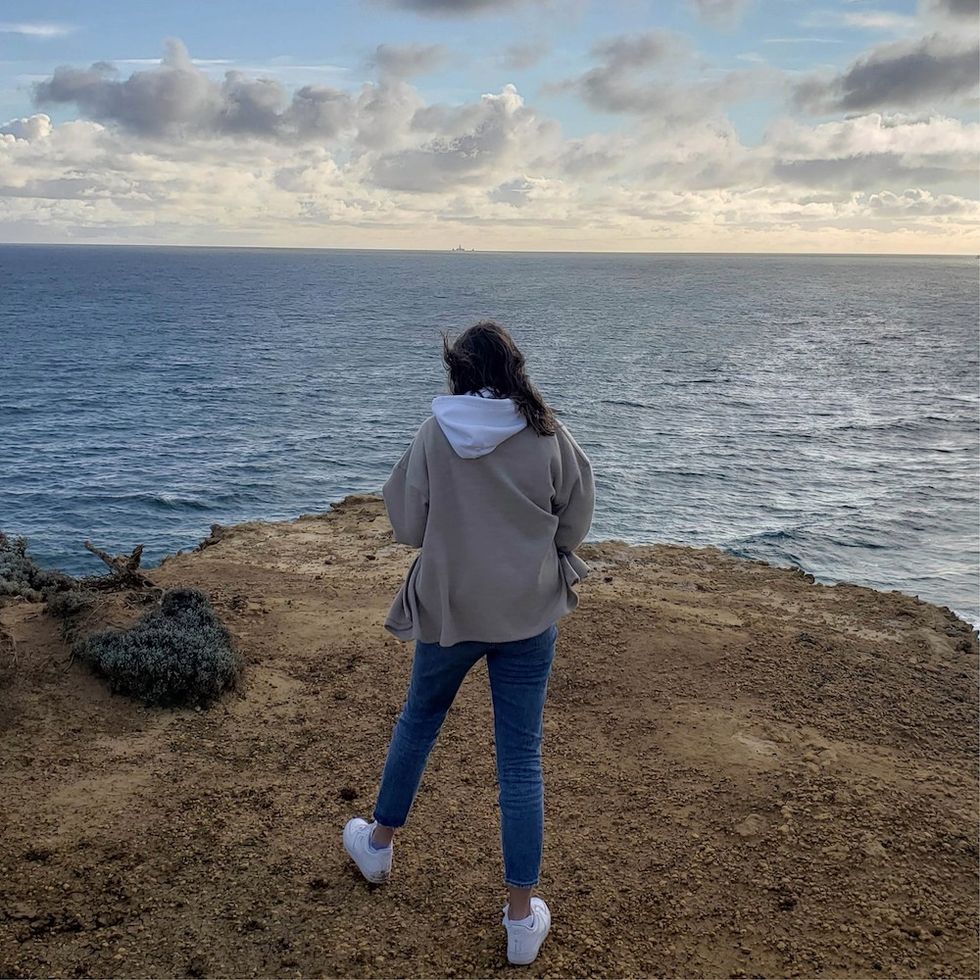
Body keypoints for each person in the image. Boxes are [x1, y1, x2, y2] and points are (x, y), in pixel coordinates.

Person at [343, 320, 595, 966]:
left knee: (419, 720)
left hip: (451, 608)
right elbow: (576, 518)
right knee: (521, 757)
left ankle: (378, 847)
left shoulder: (436, 432)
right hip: (528, 611)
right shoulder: (547, 432)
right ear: (515, 368)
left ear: (460, 371)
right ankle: (520, 919)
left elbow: (407, 524)